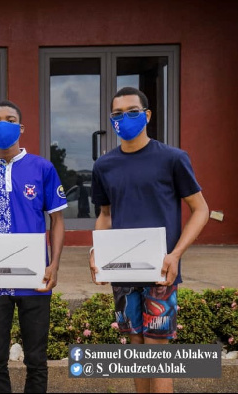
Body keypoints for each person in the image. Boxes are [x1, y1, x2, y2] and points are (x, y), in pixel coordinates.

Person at [89, 87, 209, 393]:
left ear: (147, 115)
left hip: (162, 270)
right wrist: (96, 252)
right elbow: (105, 216)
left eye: (132, 112)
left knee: (157, 349)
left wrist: (177, 254)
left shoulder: (172, 158)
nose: (124, 118)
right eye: (117, 114)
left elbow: (200, 209)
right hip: (123, 270)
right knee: (136, 345)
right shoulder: (104, 166)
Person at [0, 100, 67, 393]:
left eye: (9, 119)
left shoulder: (42, 168)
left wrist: (54, 264)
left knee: (36, 359)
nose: (2, 124)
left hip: (34, 277)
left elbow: (57, 220)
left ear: (21, 127)